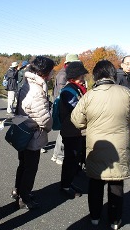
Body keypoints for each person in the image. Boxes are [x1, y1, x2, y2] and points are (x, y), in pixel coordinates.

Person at [71, 60, 130, 229]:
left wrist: (88, 125)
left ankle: (95, 217)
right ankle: (115, 220)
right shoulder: (126, 93)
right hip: (119, 149)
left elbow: (76, 120)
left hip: (96, 147)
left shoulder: (89, 95)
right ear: (113, 74)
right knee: (116, 184)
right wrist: (128, 122)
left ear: (96, 76)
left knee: (95, 183)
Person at [11, 56, 54, 210]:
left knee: (23, 164)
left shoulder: (27, 83)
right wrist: (50, 126)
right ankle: (24, 197)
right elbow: (44, 120)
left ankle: (17, 190)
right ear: (45, 73)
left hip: (23, 130)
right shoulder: (37, 91)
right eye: (51, 71)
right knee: (30, 168)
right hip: (32, 135)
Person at [59, 61, 88, 199]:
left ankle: (69, 183)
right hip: (71, 131)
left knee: (73, 159)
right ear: (76, 76)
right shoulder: (68, 91)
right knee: (70, 159)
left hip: (75, 131)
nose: (84, 78)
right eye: (82, 75)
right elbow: (78, 109)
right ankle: (65, 185)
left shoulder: (76, 88)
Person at [51, 53, 81, 165]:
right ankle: (59, 155)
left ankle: (56, 154)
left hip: (63, 105)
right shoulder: (63, 75)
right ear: (68, 63)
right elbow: (62, 92)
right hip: (63, 106)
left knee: (63, 131)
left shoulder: (65, 73)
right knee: (63, 131)